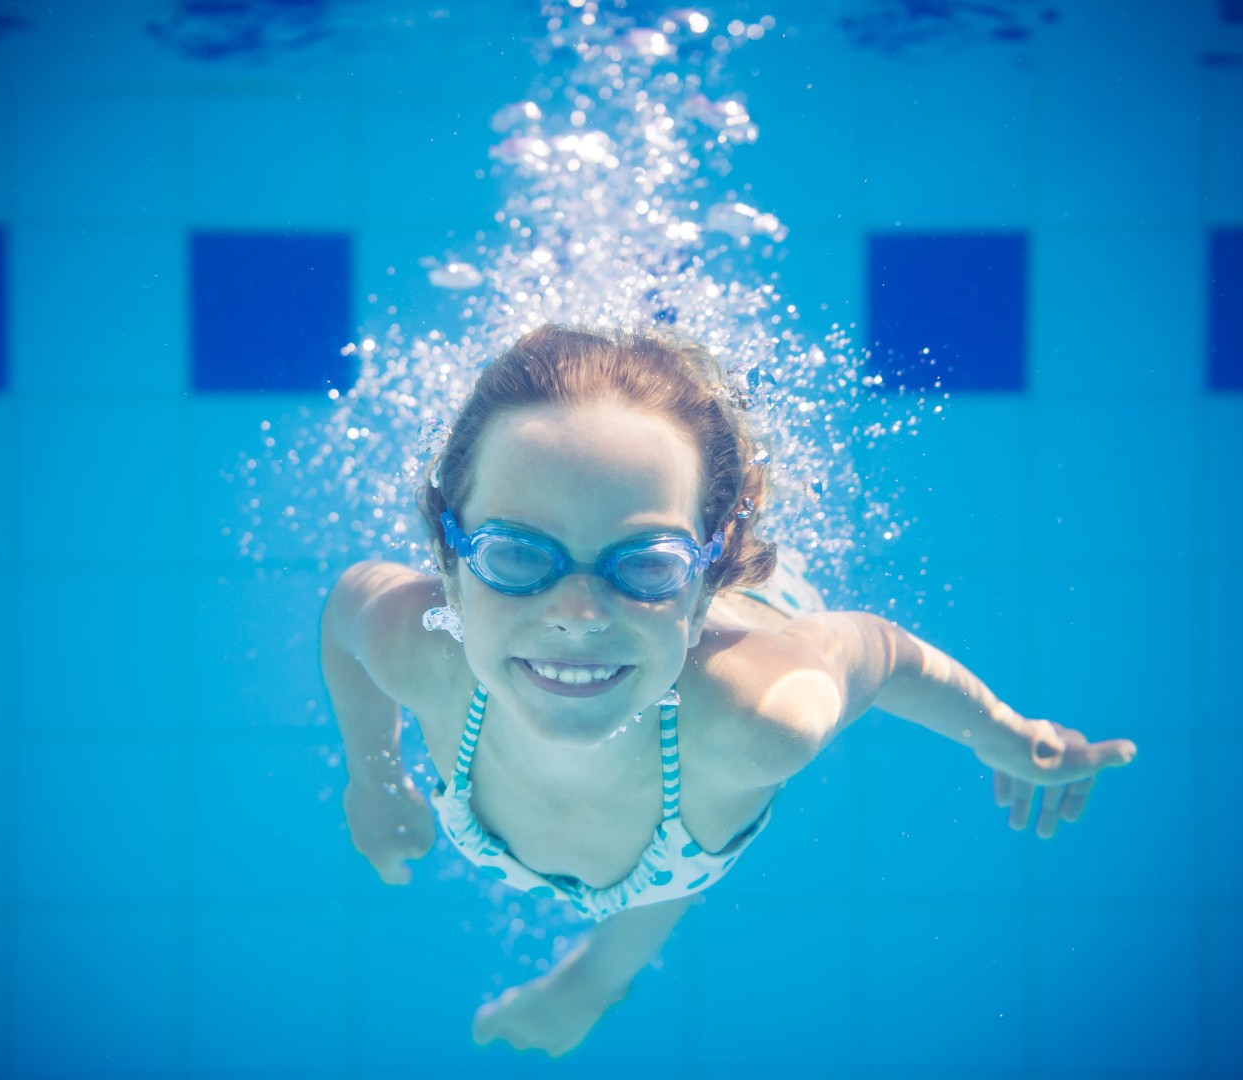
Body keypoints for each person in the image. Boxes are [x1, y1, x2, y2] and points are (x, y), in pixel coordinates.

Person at [319, 323, 1137, 1057]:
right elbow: (345, 609)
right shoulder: (417, 646)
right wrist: (374, 775)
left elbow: (880, 652)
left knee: (697, 777)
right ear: (452, 568)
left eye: (644, 562)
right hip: (671, 721)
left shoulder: (758, 717)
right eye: (517, 555)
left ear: (707, 581)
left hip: (758, 639)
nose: (576, 613)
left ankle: (592, 984)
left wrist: (1001, 730)